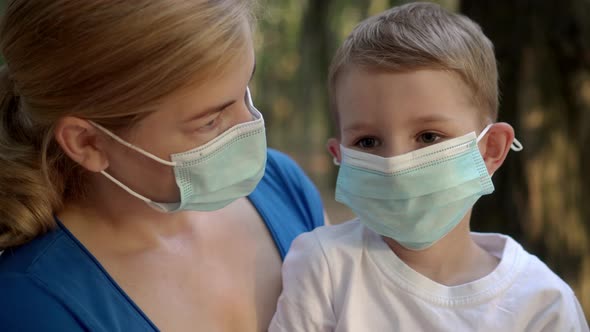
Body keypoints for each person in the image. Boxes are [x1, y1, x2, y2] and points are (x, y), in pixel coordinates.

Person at [0, 1, 325, 331]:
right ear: (88, 142)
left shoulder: (283, 186)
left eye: (244, 91)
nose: (250, 126)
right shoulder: (34, 306)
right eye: (211, 121)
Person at [270, 3, 589, 331]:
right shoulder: (325, 267)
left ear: (491, 149)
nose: (395, 166)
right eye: (367, 142)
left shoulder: (543, 305)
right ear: (340, 156)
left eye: (428, 136)